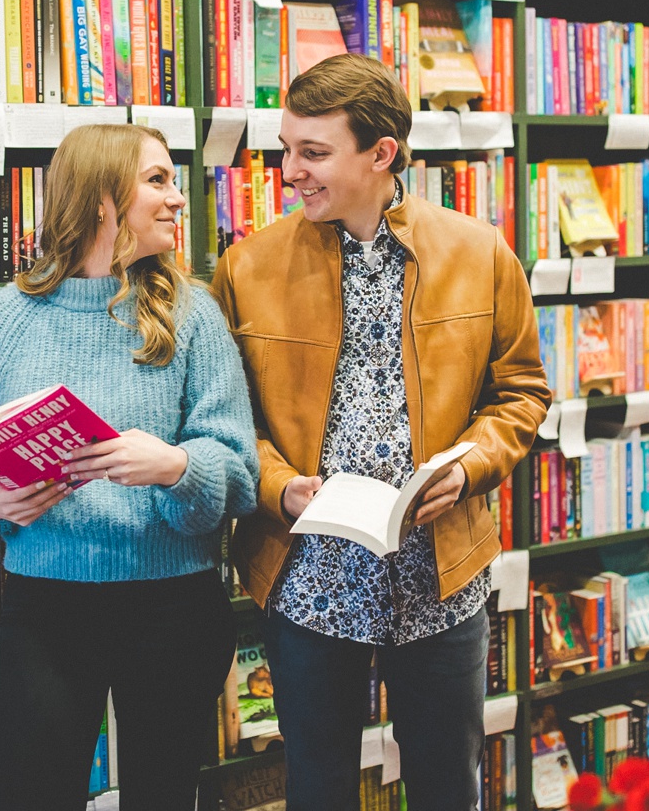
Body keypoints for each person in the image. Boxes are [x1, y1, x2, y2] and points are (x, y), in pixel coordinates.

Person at [212, 53, 551, 810]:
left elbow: (522, 394)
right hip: (307, 577)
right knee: (319, 786)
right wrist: (278, 487)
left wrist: (469, 469)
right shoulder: (248, 268)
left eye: (312, 152)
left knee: (444, 784)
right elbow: (230, 422)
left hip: (441, 572)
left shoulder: (479, 252)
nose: (288, 170)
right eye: (286, 146)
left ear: (381, 154)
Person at [0, 124, 258, 811]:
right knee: (36, 795)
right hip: (46, 612)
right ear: (102, 198)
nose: (177, 198)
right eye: (157, 180)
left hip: (175, 607)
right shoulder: (0, 322)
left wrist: (175, 468)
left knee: (163, 797)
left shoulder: (193, 316)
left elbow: (236, 474)